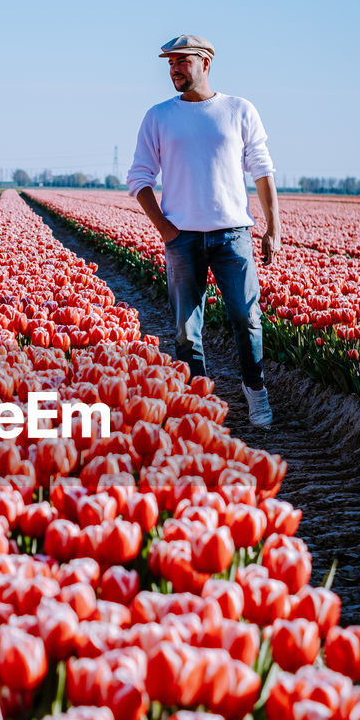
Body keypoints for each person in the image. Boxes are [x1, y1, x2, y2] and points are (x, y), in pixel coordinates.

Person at [126, 34, 281, 427]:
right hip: (183, 240)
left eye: (182, 61)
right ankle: (197, 402)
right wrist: (165, 229)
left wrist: (273, 227)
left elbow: (262, 170)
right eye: (170, 63)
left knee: (247, 319)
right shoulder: (158, 116)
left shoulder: (238, 109)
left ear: (205, 62)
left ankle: (256, 391)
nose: (174, 68)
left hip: (233, 235)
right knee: (185, 329)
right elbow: (139, 177)